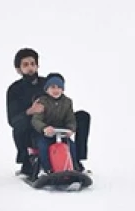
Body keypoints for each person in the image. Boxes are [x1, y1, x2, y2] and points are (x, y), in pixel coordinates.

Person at [6, 48, 91, 177]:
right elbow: (12, 120)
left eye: (32, 64)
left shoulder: (49, 83)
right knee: (19, 125)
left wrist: (70, 126)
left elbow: (61, 102)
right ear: (18, 69)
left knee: (83, 116)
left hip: (56, 122)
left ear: (37, 65)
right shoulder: (14, 90)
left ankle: (76, 162)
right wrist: (30, 111)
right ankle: (28, 163)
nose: (30, 68)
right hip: (35, 126)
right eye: (25, 65)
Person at [30, 73, 80, 175]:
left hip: (61, 133)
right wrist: (44, 128)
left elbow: (71, 119)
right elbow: (36, 120)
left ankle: (74, 167)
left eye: (59, 87)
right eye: (52, 87)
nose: (56, 90)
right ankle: (47, 169)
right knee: (43, 146)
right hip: (45, 134)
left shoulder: (67, 102)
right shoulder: (42, 102)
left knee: (71, 146)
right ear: (47, 89)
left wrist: (70, 129)